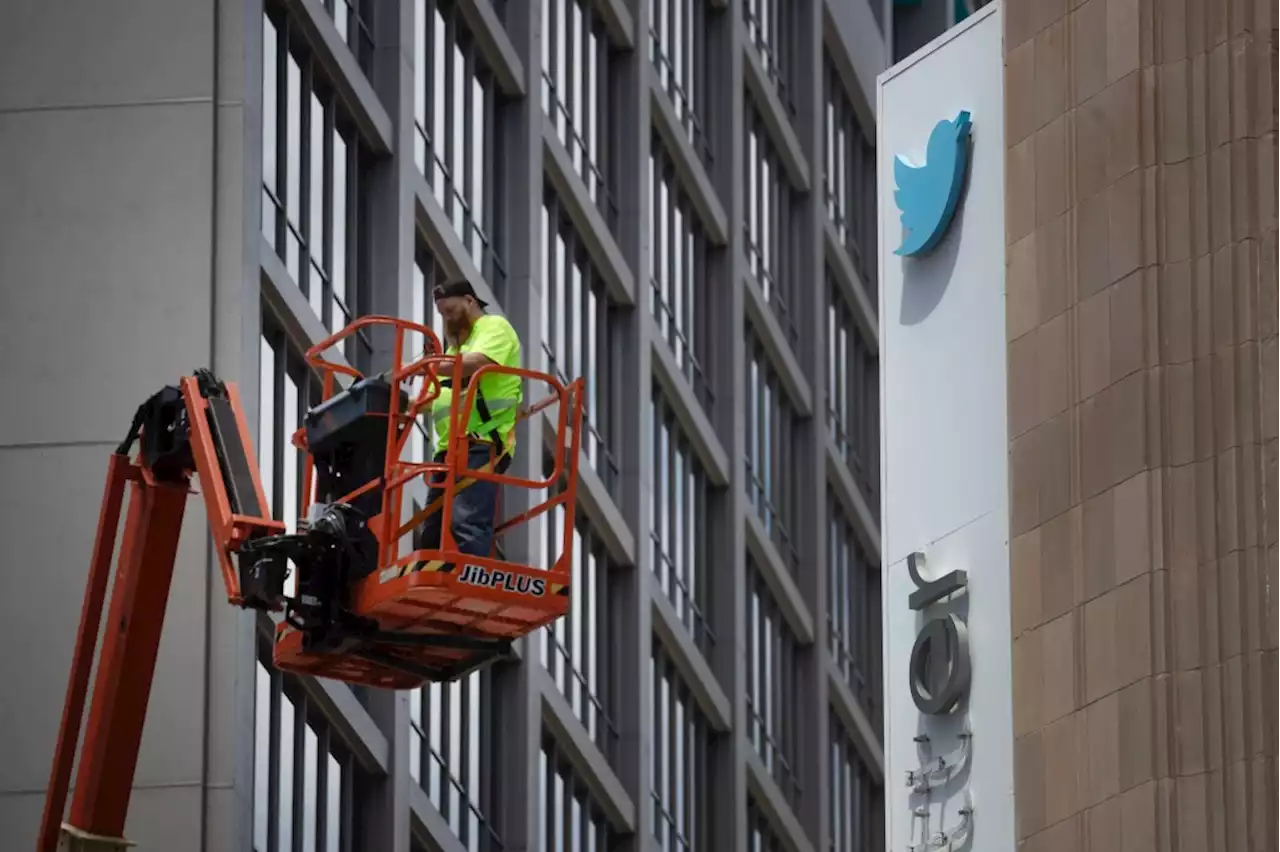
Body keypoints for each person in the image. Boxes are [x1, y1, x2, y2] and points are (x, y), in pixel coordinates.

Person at [414, 280, 522, 564]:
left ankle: (468, 574)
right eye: (442, 314)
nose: (446, 318)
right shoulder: (454, 350)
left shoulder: (494, 327)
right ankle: (434, 583)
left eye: (450, 310)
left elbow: (478, 362)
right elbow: (441, 393)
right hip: (448, 450)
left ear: (469, 300)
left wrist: (429, 366)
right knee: (432, 530)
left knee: (467, 522)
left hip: (481, 441)